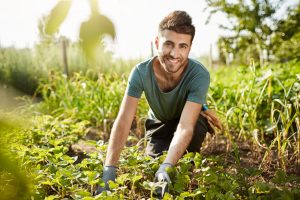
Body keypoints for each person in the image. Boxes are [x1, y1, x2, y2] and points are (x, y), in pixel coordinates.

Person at [95, 10, 222, 196]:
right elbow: (123, 120)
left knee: (177, 166)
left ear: (190, 47)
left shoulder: (199, 75)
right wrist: (109, 169)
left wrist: (168, 166)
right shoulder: (140, 72)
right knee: (152, 167)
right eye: (168, 44)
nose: (174, 53)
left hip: (187, 121)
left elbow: (185, 125)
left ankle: (186, 161)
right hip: (159, 125)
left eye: (182, 46)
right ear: (157, 43)